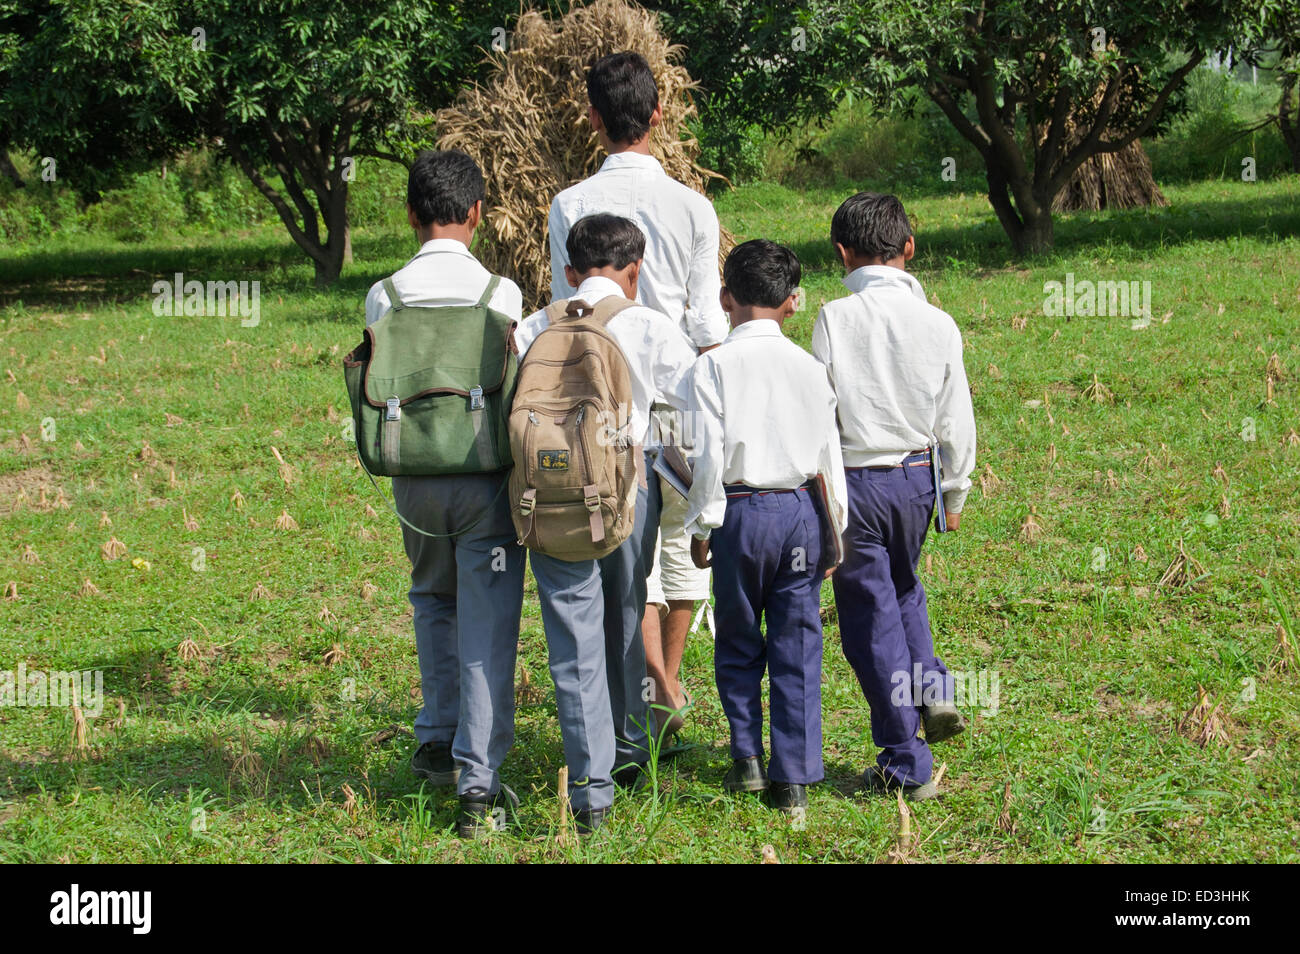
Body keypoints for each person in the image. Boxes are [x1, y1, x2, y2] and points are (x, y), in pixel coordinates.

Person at [547, 51, 724, 733]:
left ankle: (648, 691)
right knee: (680, 548)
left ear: (591, 118)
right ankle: (665, 685)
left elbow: (570, 311)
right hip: (674, 402)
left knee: (627, 560)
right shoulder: (694, 208)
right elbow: (707, 323)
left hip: (596, 410)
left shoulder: (569, 205)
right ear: (657, 115)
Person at [363, 149, 527, 838]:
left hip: (413, 481)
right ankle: (478, 783)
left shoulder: (383, 296)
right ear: (478, 214)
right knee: (487, 622)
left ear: (410, 214)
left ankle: (435, 734)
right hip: (486, 480)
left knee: (431, 599)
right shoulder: (502, 296)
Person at [517, 213, 697, 833]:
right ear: (636, 273)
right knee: (626, 612)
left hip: (549, 493)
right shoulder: (652, 327)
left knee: (572, 634)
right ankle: (628, 750)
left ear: (568, 271)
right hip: (630, 487)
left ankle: (588, 788)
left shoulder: (533, 327)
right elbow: (687, 419)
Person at [812, 192, 977, 801]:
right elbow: (957, 419)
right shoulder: (939, 323)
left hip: (856, 483)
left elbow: (821, 415)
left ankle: (906, 760)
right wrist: (954, 492)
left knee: (866, 620)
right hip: (917, 481)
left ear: (841, 254)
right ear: (909, 248)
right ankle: (932, 686)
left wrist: (824, 500)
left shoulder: (833, 316)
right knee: (904, 583)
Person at [685, 239, 847, 816]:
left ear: (725, 298)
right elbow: (830, 457)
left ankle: (747, 757)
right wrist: (836, 532)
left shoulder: (709, 367)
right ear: (792, 303)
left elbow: (706, 456)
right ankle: (794, 780)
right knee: (798, 639)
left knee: (735, 634)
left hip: (739, 512)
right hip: (802, 511)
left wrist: (702, 527)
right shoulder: (811, 369)